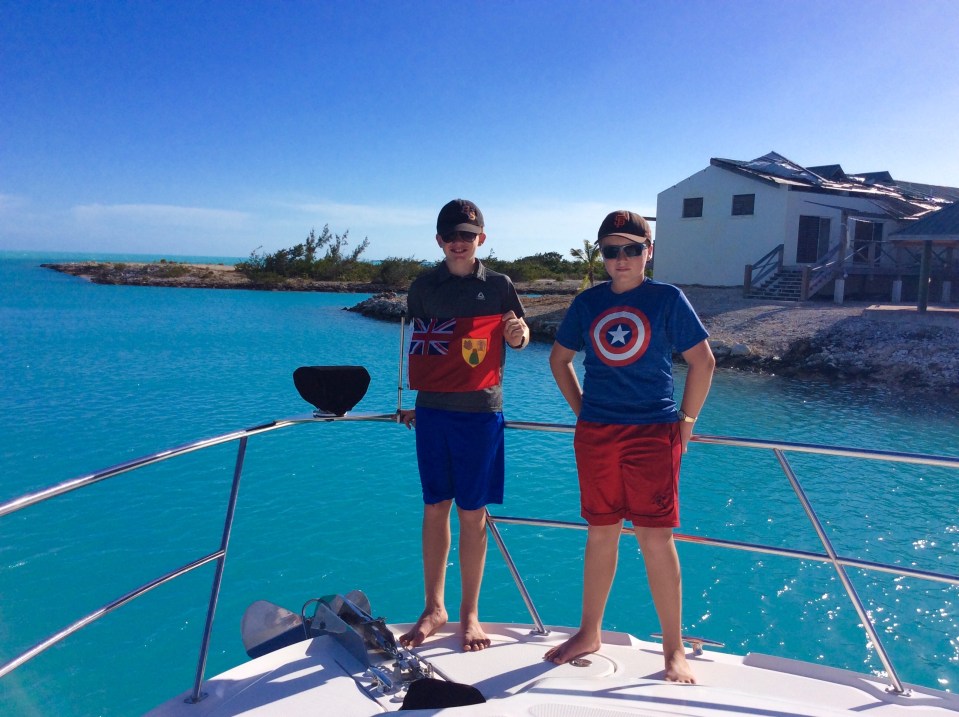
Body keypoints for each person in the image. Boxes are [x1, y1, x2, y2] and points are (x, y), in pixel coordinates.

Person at [543, 210, 715, 683]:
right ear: (601, 255)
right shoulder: (587, 303)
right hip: (597, 433)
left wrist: (687, 420)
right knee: (600, 532)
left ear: (648, 252)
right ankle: (589, 632)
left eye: (631, 249)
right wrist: (583, 411)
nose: (621, 259)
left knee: (656, 539)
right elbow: (560, 360)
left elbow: (703, 362)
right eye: (611, 250)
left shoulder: (667, 299)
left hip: (652, 433)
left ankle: (674, 650)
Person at [398, 198, 529, 652]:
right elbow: (418, 346)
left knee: (473, 514)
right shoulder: (422, 288)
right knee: (435, 506)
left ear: (481, 240)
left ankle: (470, 614)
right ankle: (434, 608)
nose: (459, 243)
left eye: (467, 236)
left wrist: (519, 335)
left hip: (480, 412)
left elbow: (519, 331)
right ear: (439, 240)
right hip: (432, 410)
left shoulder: (498, 285)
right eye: (451, 236)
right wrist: (407, 400)